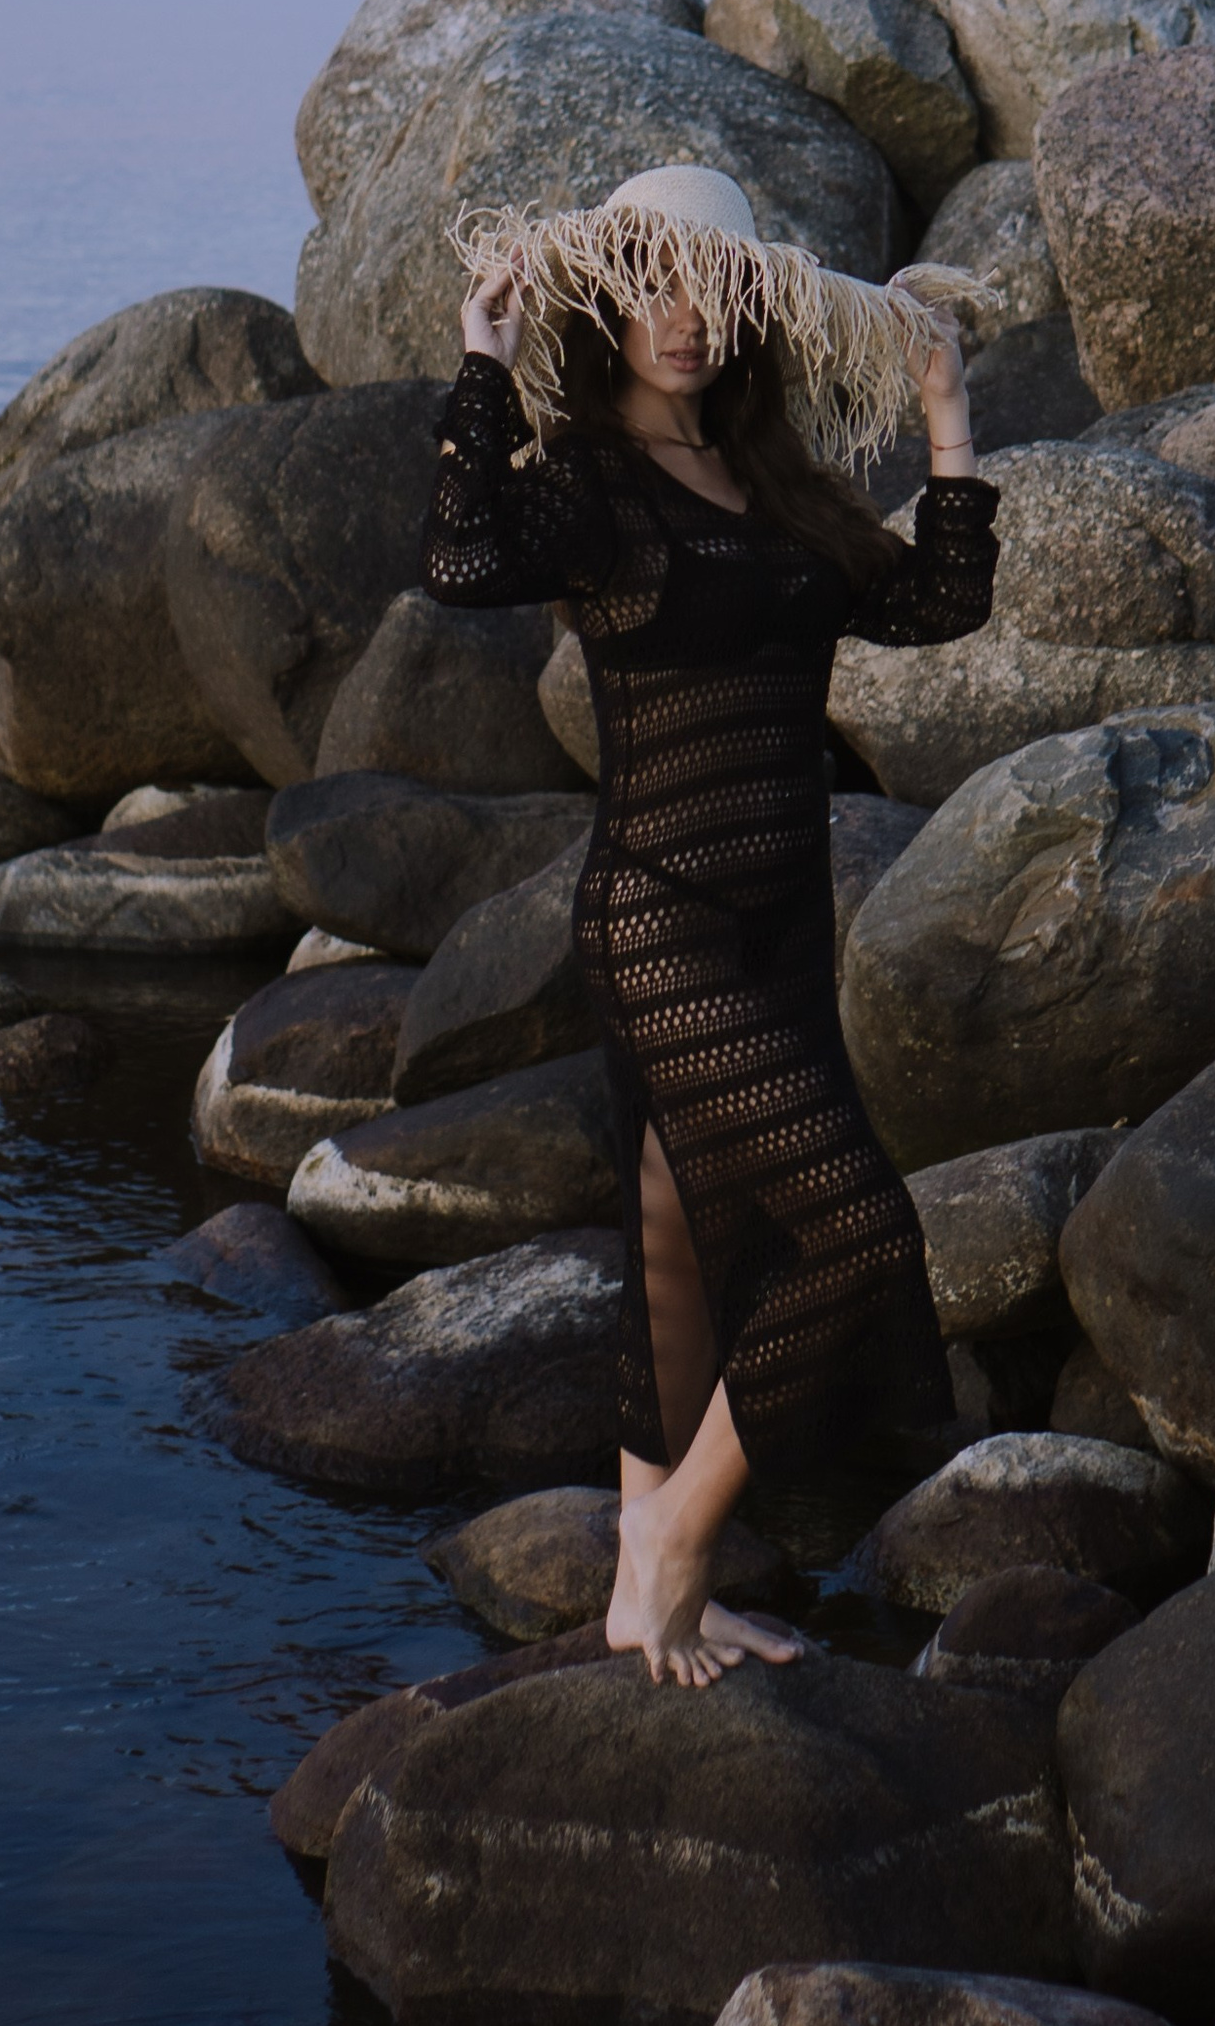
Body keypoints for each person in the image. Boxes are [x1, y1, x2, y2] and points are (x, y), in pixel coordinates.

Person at [421, 161, 999, 1685]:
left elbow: (934, 606)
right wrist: (483, 369)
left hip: (778, 918)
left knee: (681, 1242)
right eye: (653, 286)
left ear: (748, 313)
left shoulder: (780, 487)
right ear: (609, 304)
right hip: (660, 917)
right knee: (859, 1229)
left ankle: (636, 1580)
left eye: (710, 289)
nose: (682, 318)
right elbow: (459, 559)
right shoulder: (591, 488)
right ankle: (681, 1537)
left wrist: (946, 421)